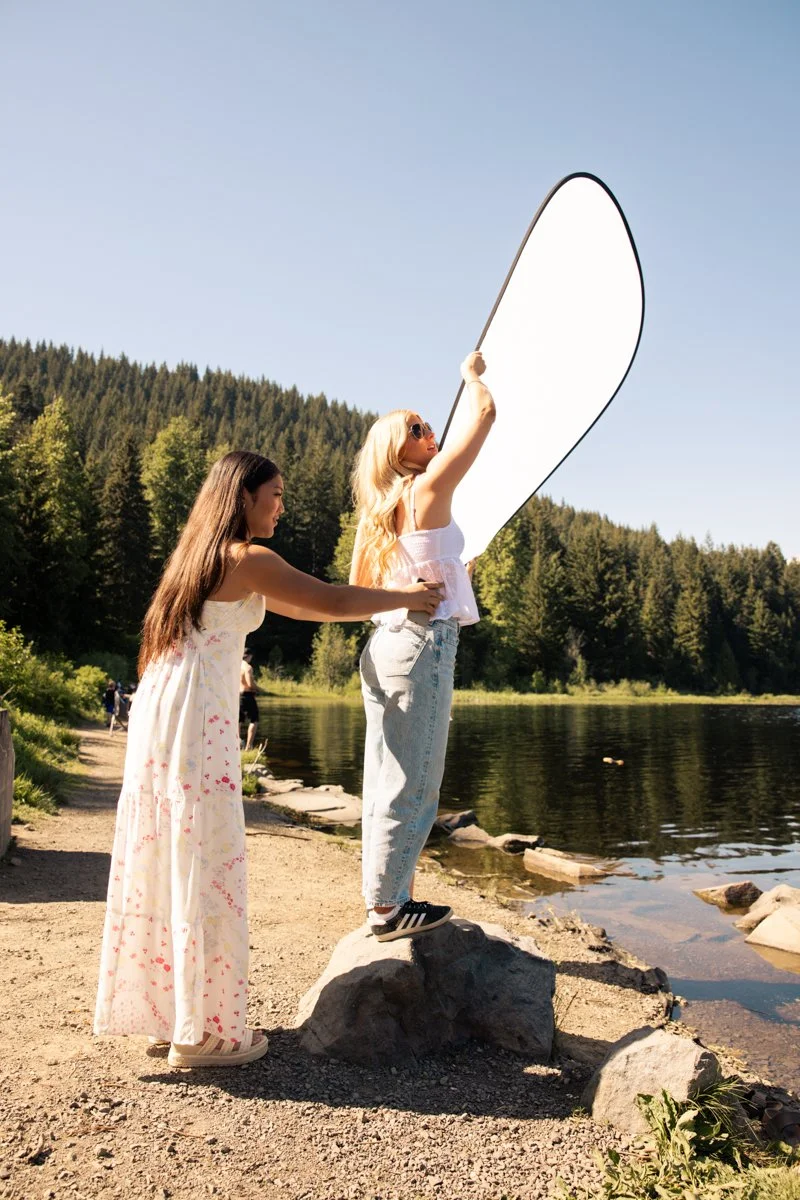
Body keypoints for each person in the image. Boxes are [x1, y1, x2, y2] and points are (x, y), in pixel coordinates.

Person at [94, 451, 443, 1069]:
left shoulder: (201, 558)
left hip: (168, 704)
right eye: (275, 495)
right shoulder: (244, 556)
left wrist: (391, 604)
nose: (282, 506)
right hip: (196, 711)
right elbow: (327, 598)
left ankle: (175, 1013)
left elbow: (306, 607)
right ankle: (202, 1036)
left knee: (172, 848)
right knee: (203, 851)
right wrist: (405, 596)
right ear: (243, 496)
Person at [350, 351, 495, 942]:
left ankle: (387, 898)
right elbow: (484, 417)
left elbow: (361, 588)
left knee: (386, 777)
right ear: (396, 450)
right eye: (416, 429)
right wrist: (473, 379)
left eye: (427, 424)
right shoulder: (429, 488)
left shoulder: (378, 515)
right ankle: (389, 909)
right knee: (416, 781)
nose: (429, 431)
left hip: (384, 647)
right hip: (421, 649)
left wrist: (442, 572)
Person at [239, 649, 259, 751]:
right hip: (247, 695)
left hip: (237, 696)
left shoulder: (236, 665)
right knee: (254, 720)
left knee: (239, 720)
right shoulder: (247, 667)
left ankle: (236, 743)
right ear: (249, 656)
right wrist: (259, 689)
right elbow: (250, 684)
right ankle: (248, 746)